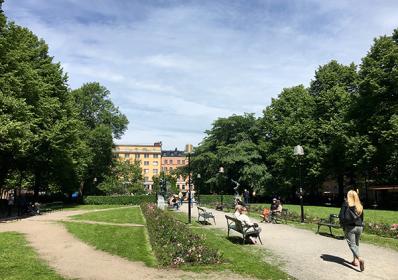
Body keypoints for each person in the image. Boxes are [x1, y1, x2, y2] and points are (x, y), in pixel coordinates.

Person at [339, 189, 365, 271]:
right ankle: (355, 261)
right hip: (360, 227)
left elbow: (341, 216)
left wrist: (343, 224)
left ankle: (360, 258)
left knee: (352, 245)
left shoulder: (346, 204)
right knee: (356, 244)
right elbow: (362, 218)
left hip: (350, 227)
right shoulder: (359, 205)